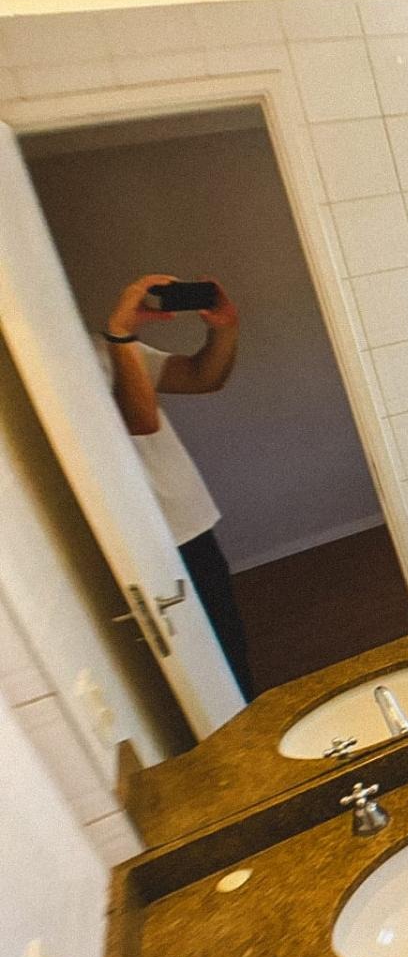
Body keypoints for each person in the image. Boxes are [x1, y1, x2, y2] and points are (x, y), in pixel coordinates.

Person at [96, 273, 255, 700]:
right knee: (192, 666)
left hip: (186, 520)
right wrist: (120, 334)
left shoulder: (100, 349)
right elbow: (141, 421)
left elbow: (204, 376)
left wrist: (224, 327)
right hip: (138, 531)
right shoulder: (94, 354)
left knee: (227, 642)